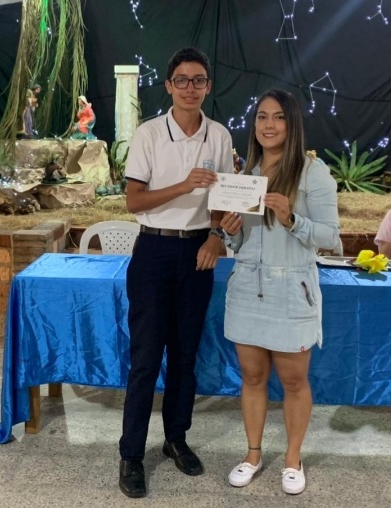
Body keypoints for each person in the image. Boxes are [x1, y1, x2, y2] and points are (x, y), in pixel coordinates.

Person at [118, 47, 233, 498]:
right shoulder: (149, 133)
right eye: (181, 80)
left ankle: (175, 439)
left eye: (198, 80)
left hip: (198, 252)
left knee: (186, 356)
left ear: (208, 86)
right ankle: (131, 454)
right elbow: (134, 201)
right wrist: (185, 185)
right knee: (146, 358)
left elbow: (225, 199)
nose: (190, 88)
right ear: (168, 86)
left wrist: (217, 235)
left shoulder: (219, 135)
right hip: (154, 251)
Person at [221, 89, 340, 495]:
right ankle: (252, 454)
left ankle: (292, 458)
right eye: (261, 117)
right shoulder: (246, 175)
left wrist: (292, 219)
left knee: (293, 380)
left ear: (292, 124)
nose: (268, 125)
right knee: (253, 377)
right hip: (247, 288)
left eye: (278, 117)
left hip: (291, 288)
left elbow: (331, 237)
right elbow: (241, 242)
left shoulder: (313, 172)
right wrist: (229, 232)